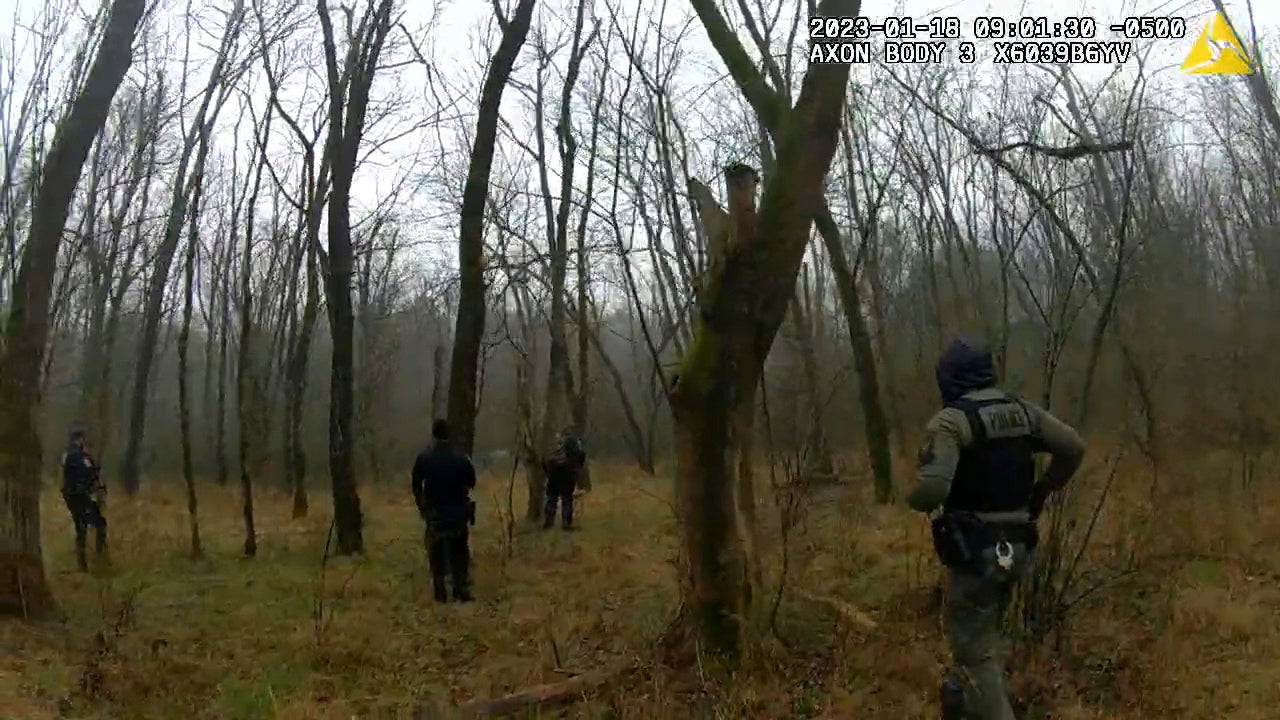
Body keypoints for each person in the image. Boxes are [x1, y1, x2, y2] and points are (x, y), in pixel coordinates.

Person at [907, 337, 1085, 720]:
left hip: (976, 552)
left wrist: (913, 498)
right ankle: (971, 703)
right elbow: (1073, 446)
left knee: (974, 653)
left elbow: (932, 490)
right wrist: (1041, 491)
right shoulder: (1022, 411)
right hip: (1017, 549)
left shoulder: (953, 421)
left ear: (950, 380)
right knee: (986, 637)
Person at [411, 419, 476, 603]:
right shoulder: (461, 458)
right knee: (460, 552)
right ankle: (461, 589)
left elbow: (416, 485)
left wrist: (422, 506)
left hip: (435, 513)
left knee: (436, 553)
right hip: (458, 511)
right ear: (449, 435)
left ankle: (440, 592)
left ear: (433, 435)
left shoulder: (424, 458)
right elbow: (471, 481)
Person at [62, 426, 108, 572]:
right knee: (100, 524)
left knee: (81, 528)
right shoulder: (79, 456)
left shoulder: (68, 454)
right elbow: (88, 473)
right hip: (81, 496)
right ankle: (99, 559)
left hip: (71, 497)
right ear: (80, 440)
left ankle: (83, 565)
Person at [542, 427, 589, 531]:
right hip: (568, 474)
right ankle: (566, 523)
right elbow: (581, 457)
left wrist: (548, 472)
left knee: (551, 499)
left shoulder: (554, 445)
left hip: (554, 474)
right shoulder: (576, 444)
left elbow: (544, 460)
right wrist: (576, 470)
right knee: (567, 499)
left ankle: (549, 522)